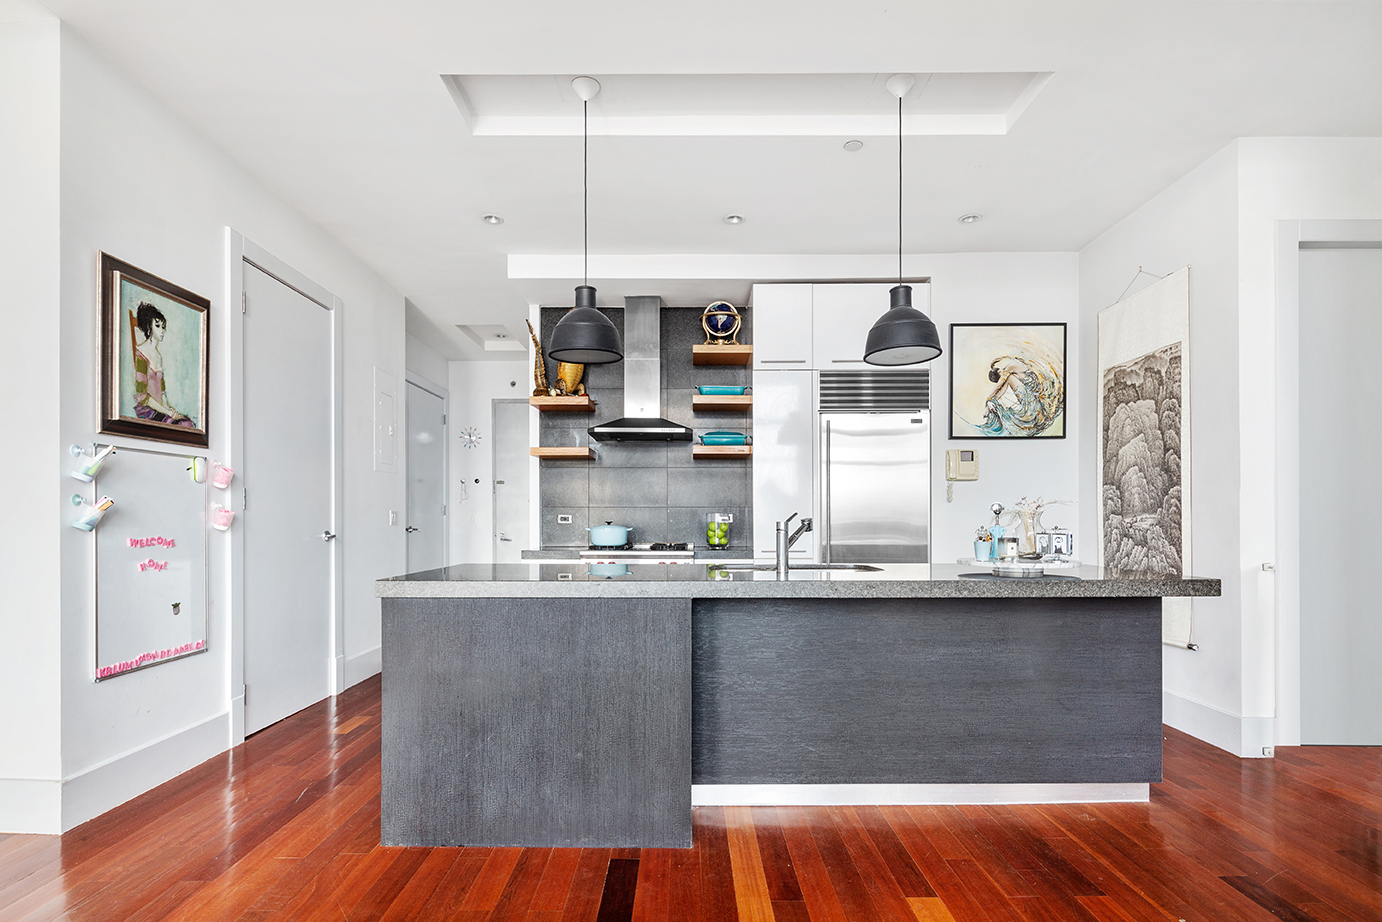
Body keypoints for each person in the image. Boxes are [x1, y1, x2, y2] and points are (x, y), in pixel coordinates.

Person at [131, 301, 195, 427]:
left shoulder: (159, 356)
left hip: (161, 409)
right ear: (149, 326)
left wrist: (169, 409)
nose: (162, 330)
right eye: (158, 325)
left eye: (163, 326)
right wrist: (167, 412)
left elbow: (163, 391)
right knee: (183, 425)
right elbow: (142, 395)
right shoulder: (141, 355)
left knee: (188, 423)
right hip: (147, 410)